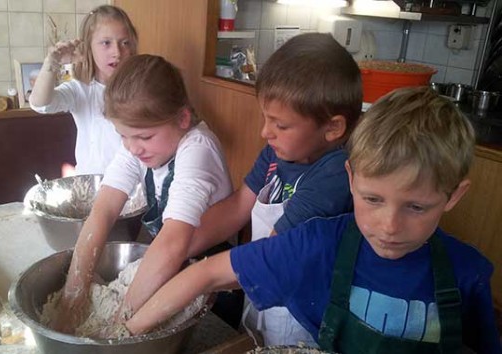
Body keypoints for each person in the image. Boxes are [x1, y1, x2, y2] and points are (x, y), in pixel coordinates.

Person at [125, 86, 502, 354]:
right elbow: (204, 274)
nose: (389, 226)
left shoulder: (466, 275)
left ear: (453, 195)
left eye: (416, 207)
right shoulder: (321, 243)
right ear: (351, 179)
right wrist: (126, 334)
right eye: (372, 199)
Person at [186, 32, 362, 346]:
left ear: (333, 128)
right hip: (262, 295)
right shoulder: (277, 154)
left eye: (280, 125)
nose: (265, 132)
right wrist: (180, 247)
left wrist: (202, 278)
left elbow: (274, 254)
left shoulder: (333, 175)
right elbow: (239, 205)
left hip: (302, 319)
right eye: (266, 119)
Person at [51, 54, 233, 334]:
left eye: (144, 137)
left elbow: (174, 242)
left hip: (211, 288)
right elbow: (104, 210)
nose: (133, 148)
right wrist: (74, 293)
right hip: (167, 266)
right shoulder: (140, 145)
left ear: (183, 118)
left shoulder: (197, 150)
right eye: (123, 136)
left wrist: (120, 322)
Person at [29, 5, 138, 175]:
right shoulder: (80, 89)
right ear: (89, 47)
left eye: (125, 43)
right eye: (106, 43)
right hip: (90, 184)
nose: (117, 52)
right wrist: (52, 63)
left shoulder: (141, 88)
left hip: (132, 186)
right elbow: (40, 104)